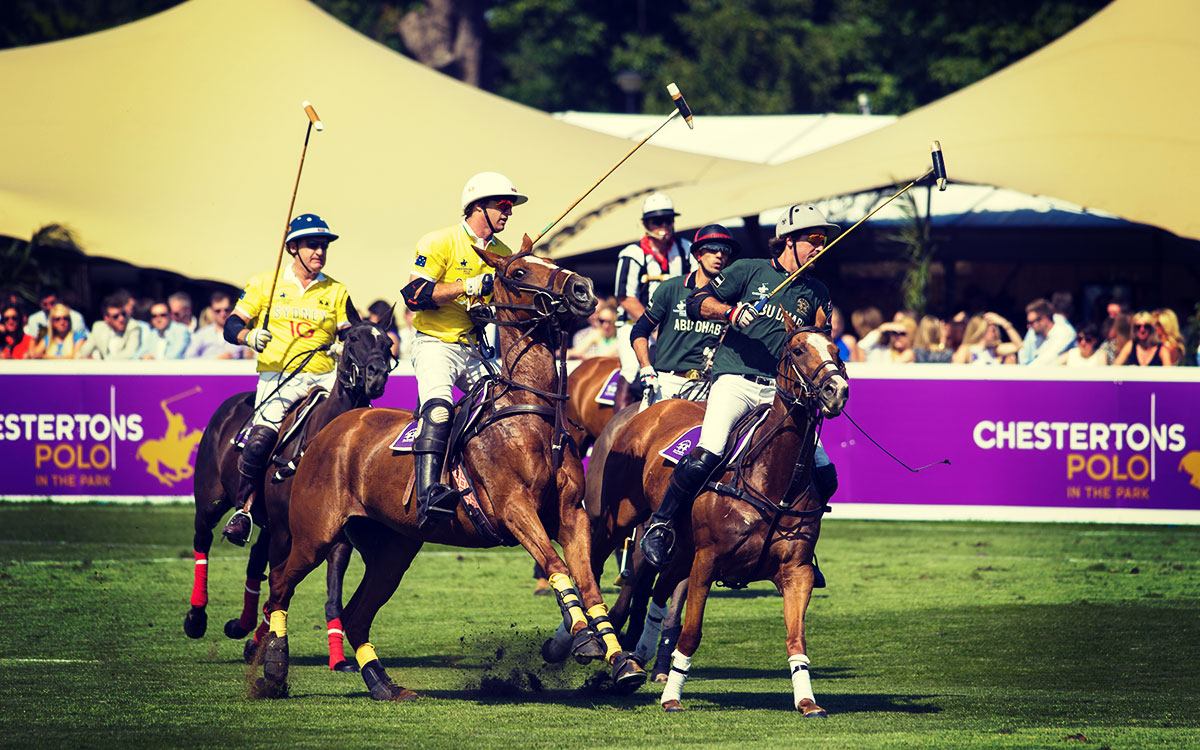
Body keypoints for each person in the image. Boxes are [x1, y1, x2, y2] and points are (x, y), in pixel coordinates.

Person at [640, 204, 838, 569]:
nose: (820, 246)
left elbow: (823, 337)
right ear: (789, 241)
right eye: (813, 239)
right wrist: (729, 312)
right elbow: (698, 302)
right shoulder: (749, 271)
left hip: (784, 393)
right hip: (737, 381)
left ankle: (800, 546)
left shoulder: (816, 291)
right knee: (709, 451)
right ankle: (662, 524)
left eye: (823, 240)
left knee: (825, 473)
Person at [220, 213, 355, 545]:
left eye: (323, 246)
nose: (319, 253)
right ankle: (245, 509)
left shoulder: (336, 290)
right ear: (293, 247)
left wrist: (344, 345)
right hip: (279, 375)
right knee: (261, 435)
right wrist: (248, 338)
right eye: (312, 245)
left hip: (324, 377)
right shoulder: (264, 284)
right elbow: (231, 325)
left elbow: (353, 333)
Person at [400, 171, 524, 529]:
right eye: (503, 205)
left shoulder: (503, 254)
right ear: (477, 207)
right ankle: (429, 496)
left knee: (506, 410)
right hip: (436, 343)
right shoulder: (441, 241)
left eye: (510, 207)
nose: (508, 213)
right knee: (438, 411)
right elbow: (414, 296)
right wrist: (465, 286)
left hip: (475, 348)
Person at [630, 224, 734, 405]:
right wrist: (646, 366)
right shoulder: (671, 288)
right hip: (666, 383)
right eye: (712, 249)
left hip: (706, 386)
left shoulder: (732, 296)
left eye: (725, 250)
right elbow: (640, 330)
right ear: (697, 255)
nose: (719, 255)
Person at [612, 192, 694, 409]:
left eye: (668, 220)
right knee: (631, 370)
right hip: (633, 323)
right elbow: (625, 298)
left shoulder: (686, 249)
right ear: (646, 223)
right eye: (658, 221)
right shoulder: (633, 254)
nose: (664, 226)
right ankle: (617, 426)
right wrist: (654, 326)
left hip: (675, 325)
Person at [185, 292, 250, 359]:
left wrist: (250, 356)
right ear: (211, 311)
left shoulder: (240, 332)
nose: (223, 314)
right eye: (218, 311)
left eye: (226, 310)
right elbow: (188, 357)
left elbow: (251, 355)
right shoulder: (202, 334)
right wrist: (214, 359)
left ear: (232, 309)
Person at [79, 293, 142, 360]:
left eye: (123, 314)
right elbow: (84, 352)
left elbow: (130, 353)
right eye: (115, 316)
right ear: (106, 318)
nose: (121, 319)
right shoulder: (98, 327)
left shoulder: (133, 326)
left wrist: (102, 360)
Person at [1019, 298, 1075, 365]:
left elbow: (1046, 360)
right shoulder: (1033, 333)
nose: (1028, 326)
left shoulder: (1064, 332)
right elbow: (1024, 357)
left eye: (1031, 323)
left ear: (1044, 320)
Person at [952, 312, 1021, 365]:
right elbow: (955, 373)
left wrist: (1004, 323)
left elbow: (1019, 346)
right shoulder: (966, 349)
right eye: (993, 330)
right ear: (982, 331)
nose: (997, 334)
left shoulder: (994, 350)